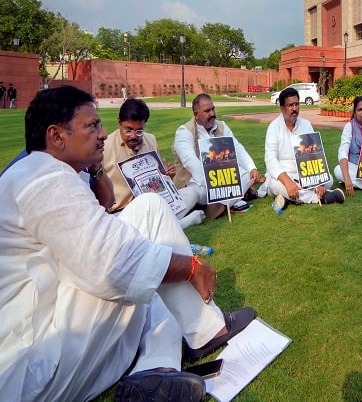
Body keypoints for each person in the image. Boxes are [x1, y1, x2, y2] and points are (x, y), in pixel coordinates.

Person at [0, 86, 256, 401]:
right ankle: (181, 346)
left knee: (150, 211)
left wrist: (93, 168)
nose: (103, 133)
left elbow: (105, 204)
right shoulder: (42, 179)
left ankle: (176, 352)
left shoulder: (55, 168)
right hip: (32, 354)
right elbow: (110, 263)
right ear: (56, 136)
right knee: (140, 267)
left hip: (56, 313)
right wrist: (190, 266)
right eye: (92, 126)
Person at [103, 98, 205, 228]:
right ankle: (179, 224)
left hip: (154, 204)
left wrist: (167, 177)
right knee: (120, 225)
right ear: (119, 122)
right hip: (122, 211)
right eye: (128, 130)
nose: (134, 136)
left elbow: (159, 185)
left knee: (191, 194)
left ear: (144, 125)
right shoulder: (105, 148)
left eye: (139, 131)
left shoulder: (150, 140)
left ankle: (159, 225)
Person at [173, 93, 263, 219]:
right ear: (196, 114)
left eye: (213, 109)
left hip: (222, 178)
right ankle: (232, 197)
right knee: (198, 192)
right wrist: (213, 183)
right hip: (197, 182)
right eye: (207, 111)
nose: (212, 114)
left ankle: (218, 206)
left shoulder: (221, 126)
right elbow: (190, 161)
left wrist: (251, 167)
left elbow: (236, 147)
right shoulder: (184, 131)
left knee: (248, 176)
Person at [265, 86, 345, 208]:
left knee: (328, 179)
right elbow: (271, 160)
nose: (294, 109)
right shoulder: (273, 128)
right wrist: (287, 182)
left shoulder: (306, 125)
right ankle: (320, 197)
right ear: (282, 108)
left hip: (306, 174)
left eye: (297, 104)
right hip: (284, 175)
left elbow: (314, 155)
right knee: (273, 184)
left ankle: (293, 197)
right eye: (290, 105)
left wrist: (319, 180)